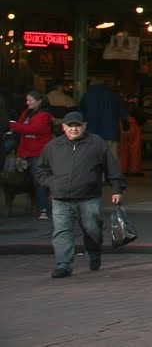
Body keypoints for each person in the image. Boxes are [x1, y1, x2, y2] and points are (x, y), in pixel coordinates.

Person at [35, 111, 124, 278]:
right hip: (60, 197)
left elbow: (111, 167)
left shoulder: (96, 143)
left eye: (77, 125)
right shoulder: (52, 146)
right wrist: (51, 183)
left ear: (84, 126)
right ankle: (63, 265)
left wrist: (117, 189)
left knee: (92, 229)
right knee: (62, 231)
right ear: (63, 127)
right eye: (70, 126)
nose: (74, 129)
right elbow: (41, 170)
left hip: (88, 196)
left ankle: (94, 253)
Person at [8, 89, 54, 219]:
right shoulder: (27, 112)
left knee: (38, 181)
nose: (27, 102)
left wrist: (12, 125)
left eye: (30, 100)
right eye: (27, 100)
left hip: (37, 152)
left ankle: (43, 208)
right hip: (25, 150)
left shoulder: (45, 115)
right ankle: (38, 206)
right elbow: (24, 128)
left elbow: (32, 129)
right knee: (26, 180)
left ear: (39, 101)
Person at [77, 78, 124, 154]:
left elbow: (80, 115)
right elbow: (123, 113)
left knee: (92, 159)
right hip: (111, 133)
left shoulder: (86, 96)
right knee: (111, 159)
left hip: (91, 133)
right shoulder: (114, 96)